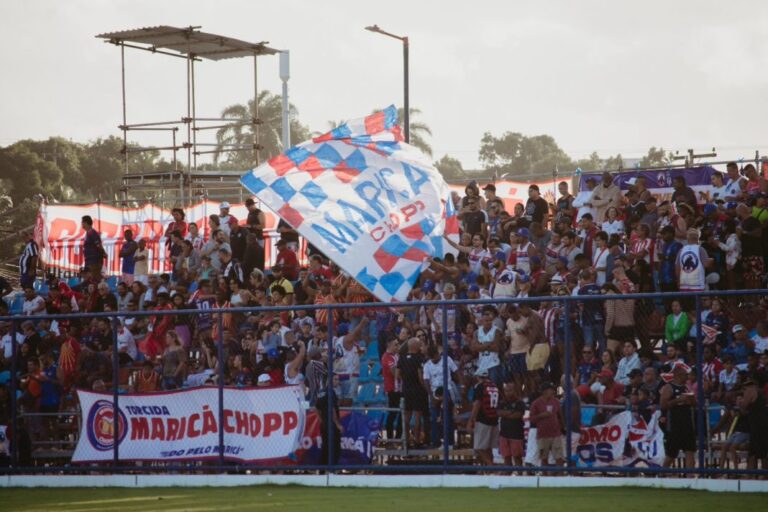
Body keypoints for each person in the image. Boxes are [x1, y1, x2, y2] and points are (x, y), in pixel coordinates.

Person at [661, 361, 697, 468]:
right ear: (679, 375)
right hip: (675, 425)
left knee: (690, 451)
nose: (688, 377)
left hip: (688, 425)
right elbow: (663, 405)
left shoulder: (687, 387)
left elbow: (695, 404)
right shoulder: (669, 387)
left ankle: (691, 478)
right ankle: (662, 475)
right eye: (686, 375)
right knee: (671, 455)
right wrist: (677, 400)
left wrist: (691, 401)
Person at [397, 337, 428, 447]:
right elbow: (420, 376)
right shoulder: (420, 359)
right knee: (417, 416)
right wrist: (425, 388)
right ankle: (416, 440)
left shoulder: (402, 358)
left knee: (407, 416)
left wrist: (406, 380)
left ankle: (406, 439)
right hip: (418, 390)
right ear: (417, 346)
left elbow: (397, 375)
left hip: (406, 390)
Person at [467, 368, 499, 466]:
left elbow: (477, 404)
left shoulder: (480, 387)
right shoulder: (494, 386)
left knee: (479, 447)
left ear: (477, 377)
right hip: (494, 420)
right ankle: (489, 469)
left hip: (483, 420)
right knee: (488, 448)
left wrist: (471, 420)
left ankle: (491, 467)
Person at [529, 381, 565, 467]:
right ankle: (544, 477)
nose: (553, 391)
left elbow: (560, 415)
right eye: (550, 389)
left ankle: (560, 477)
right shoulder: (536, 403)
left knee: (559, 457)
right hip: (542, 435)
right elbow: (532, 419)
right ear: (544, 391)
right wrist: (542, 415)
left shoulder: (555, 401)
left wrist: (563, 427)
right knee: (544, 458)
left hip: (555, 434)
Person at [498, 382, 526, 467]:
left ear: (515, 390)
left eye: (510, 390)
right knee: (506, 457)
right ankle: (507, 475)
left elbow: (517, 415)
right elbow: (499, 412)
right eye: (506, 391)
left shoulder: (520, 403)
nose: (508, 393)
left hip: (516, 434)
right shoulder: (502, 402)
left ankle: (519, 475)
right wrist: (510, 412)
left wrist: (505, 414)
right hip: (504, 434)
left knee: (517, 457)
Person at [381, 337, 402, 441]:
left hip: (400, 389)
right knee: (393, 413)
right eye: (396, 344)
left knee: (402, 413)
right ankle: (390, 438)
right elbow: (396, 374)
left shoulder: (397, 355)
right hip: (392, 389)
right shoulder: (386, 357)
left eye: (398, 344)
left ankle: (398, 438)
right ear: (389, 345)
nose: (398, 346)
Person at [244, 198, 266, 270]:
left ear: (252, 205)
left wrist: (252, 226)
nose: (248, 209)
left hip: (258, 238)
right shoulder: (249, 213)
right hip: (252, 239)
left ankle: (260, 270)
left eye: (248, 207)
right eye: (247, 207)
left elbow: (263, 225)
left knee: (259, 256)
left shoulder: (259, 213)